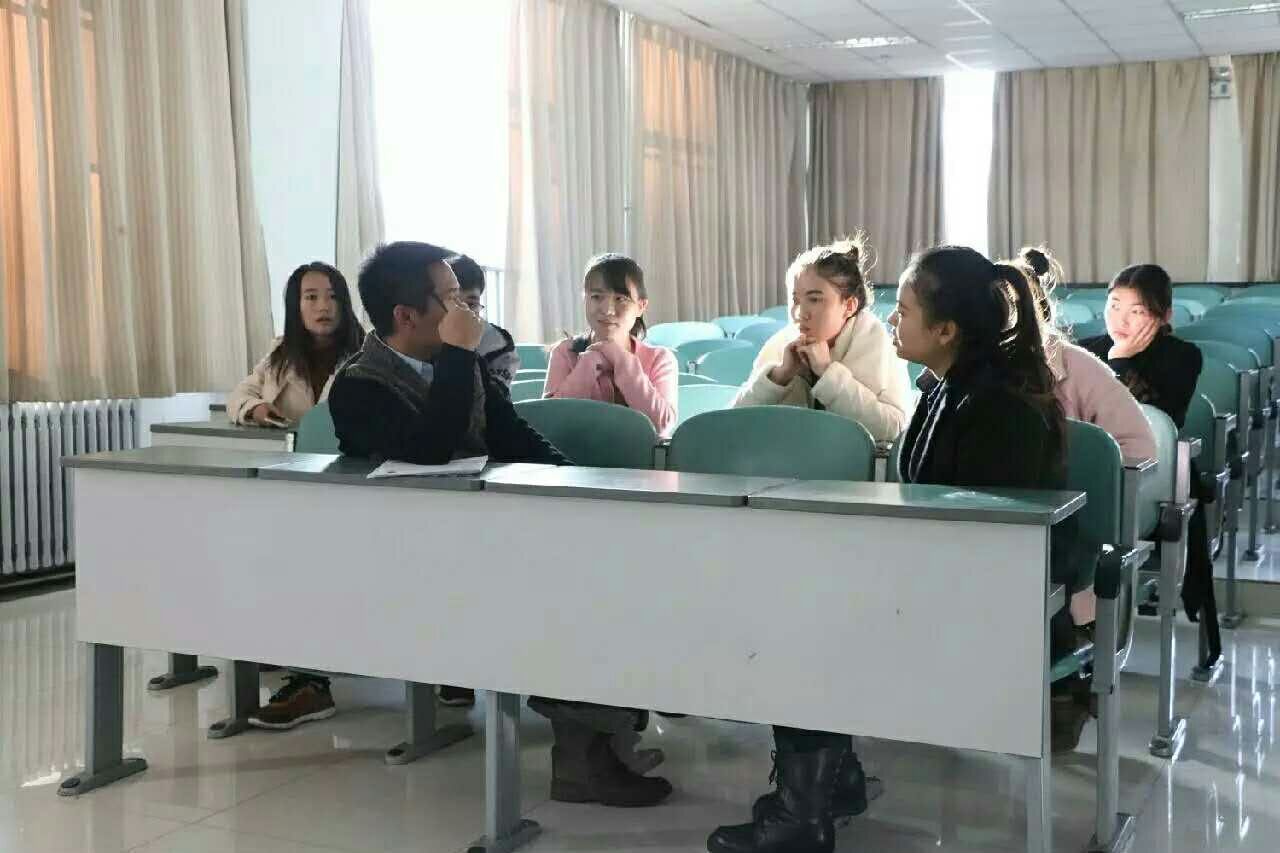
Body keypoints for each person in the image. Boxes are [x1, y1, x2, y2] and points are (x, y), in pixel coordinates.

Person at [707, 246, 1066, 853]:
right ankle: (833, 782)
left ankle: (802, 815)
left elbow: (983, 543)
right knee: (796, 595)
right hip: (945, 583)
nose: (892, 320)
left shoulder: (1000, 410)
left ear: (946, 330)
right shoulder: (948, 389)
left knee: (798, 627)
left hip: (994, 610)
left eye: (904, 310)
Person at [328, 241, 672, 808]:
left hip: (485, 538)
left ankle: (602, 736)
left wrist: (577, 485)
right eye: (451, 299)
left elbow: (510, 433)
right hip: (417, 561)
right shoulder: (359, 385)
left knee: (602, 559)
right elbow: (432, 450)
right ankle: (584, 756)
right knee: (570, 592)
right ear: (406, 316)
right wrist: (460, 354)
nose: (467, 310)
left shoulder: (457, 361)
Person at [1080, 264, 1219, 670]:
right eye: (1114, 305)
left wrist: (1119, 364)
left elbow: (1156, 423)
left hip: (1154, 478)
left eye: (1137, 311)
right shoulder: (1085, 350)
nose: (1120, 320)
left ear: (1164, 316)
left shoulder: (1182, 357)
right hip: (1095, 478)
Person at [1015, 247, 1157, 629]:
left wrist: (1089, 504)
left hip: (1068, 539)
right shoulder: (969, 374)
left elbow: (1139, 448)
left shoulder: (1078, 367)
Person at [733, 236, 912, 442]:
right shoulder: (781, 344)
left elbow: (894, 428)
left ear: (849, 306)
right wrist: (779, 376)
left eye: (814, 299)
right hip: (782, 458)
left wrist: (828, 373)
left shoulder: (878, 344)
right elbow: (732, 423)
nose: (800, 313)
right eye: (795, 300)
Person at [544, 253, 677, 437]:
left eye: (620, 299)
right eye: (597, 297)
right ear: (585, 300)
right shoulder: (564, 352)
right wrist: (588, 364)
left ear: (641, 306)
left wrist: (622, 360)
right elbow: (549, 421)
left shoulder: (660, 359)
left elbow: (662, 426)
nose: (607, 310)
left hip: (637, 456)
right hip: (573, 455)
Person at [227, 262, 363, 427]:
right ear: (295, 306)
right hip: (290, 444)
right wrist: (256, 409)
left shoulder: (366, 354)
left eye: (333, 296)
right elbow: (239, 396)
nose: (324, 307)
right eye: (311, 297)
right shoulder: (281, 355)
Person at [446, 254, 520, 391]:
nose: (462, 313)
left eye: (471, 304)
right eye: (452, 303)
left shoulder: (499, 345)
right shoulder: (421, 339)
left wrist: (462, 351)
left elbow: (492, 401)